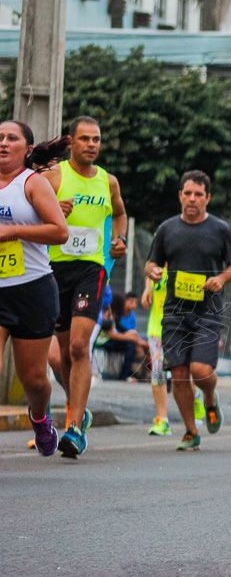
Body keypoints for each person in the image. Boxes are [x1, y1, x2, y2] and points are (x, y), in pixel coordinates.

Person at [40, 116, 127, 458]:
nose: (92, 144)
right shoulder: (53, 177)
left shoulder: (109, 182)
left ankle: (74, 428)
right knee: (60, 357)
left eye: (97, 139)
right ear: (71, 142)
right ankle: (80, 407)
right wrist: (50, 212)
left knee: (79, 347)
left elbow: (119, 214)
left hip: (91, 269)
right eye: (86, 139)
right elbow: (28, 211)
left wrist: (119, 239)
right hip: (51, 270)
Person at [145, 170, 231, 451]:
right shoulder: (167, 229)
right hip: (174, 311)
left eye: (198, 194)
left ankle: (210, 399)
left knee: (200, 370)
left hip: (208, 310)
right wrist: (153, 272)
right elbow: (151, 264)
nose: (192, 199)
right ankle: (190, 431)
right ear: (180, 196)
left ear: (207, 198)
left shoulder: (220, 229)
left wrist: (221, 279)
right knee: (178, 373)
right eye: (187, 193)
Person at [0, 122, 70, 457]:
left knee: (35, 380)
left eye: (11, 138)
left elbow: (60, 232)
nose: (3, 143)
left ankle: (40, 416)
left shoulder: (32, 184)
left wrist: (13, 231)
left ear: (27, 149)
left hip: (31, 289)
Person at [141, 266, 171, 436]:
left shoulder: (182, 262)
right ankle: (162, 419)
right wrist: (147, 288)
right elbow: (149, 273)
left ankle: (195, 397)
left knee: (184, 372)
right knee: (157, 372)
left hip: (178, 327)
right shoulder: (157, 264)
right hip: (156, 328)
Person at [101, 291, 148, 381]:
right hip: (104, 341)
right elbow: (111, 335)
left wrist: (132, 336)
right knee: (130, 345)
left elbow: (121, 329)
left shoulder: (116, 316)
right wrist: (130, 337)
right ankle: (124, 376)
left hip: (111, 341)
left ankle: (138, 374)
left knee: (133, 343)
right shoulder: (108, 314)